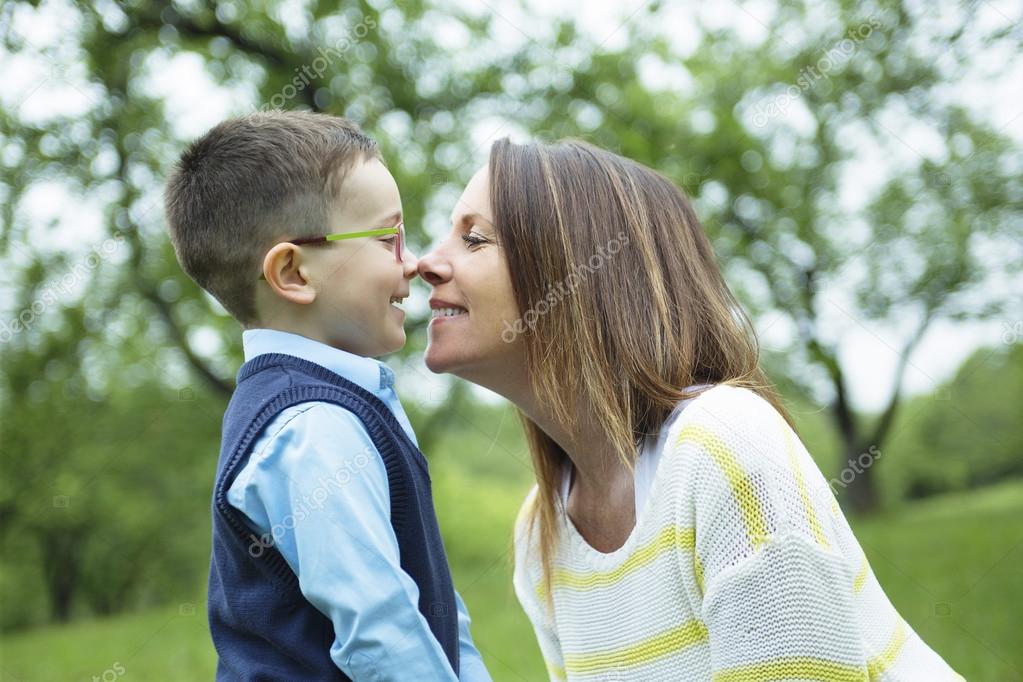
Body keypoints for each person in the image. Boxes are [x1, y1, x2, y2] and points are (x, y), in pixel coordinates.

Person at [416, 137, 963, 681]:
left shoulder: (726, 446)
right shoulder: (542, 530)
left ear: (579, 275)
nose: (426, 263)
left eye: (475, 238)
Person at [163, 110, 490, 681]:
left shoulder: (331, 406)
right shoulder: (312, 426)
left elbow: (430, 609)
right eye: (387, 238)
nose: (411, 263)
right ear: (293, 273)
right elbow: (382, 632)